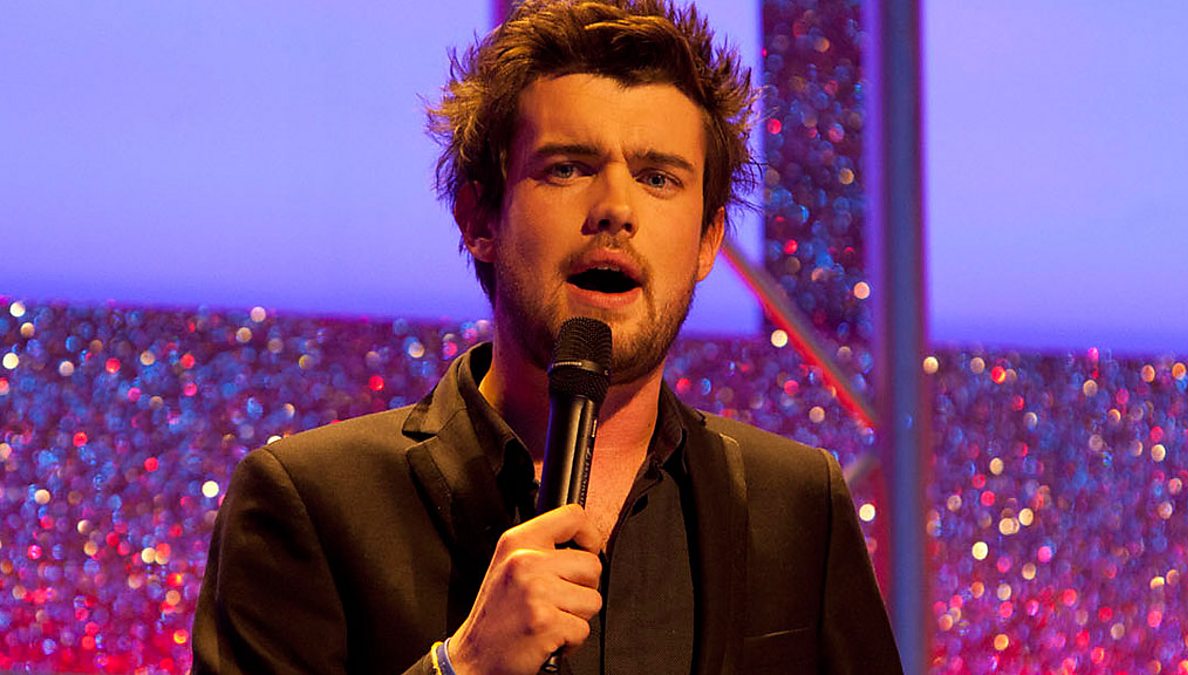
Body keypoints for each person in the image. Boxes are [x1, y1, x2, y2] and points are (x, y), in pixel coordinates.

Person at [192, 1, 902, 673]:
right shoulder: (309, 502)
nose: (616, 209)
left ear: (708, 240)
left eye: (658, 178)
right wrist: (465, 665)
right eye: (567, 168)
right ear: (480, 219)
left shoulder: (796, 507)